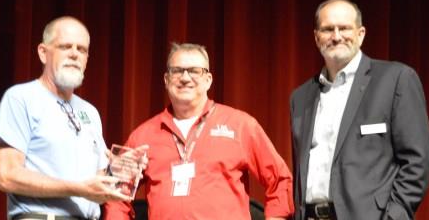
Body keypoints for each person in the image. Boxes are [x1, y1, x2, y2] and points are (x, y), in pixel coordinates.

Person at [103, 42, 294, 219]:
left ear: (208, 80)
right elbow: (116, 194)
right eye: (177, 71)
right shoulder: (143, 136)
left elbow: (280, 179)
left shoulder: (240, 125)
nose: (185, 78)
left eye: (194, 71)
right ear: (166, 79)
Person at [0, 16, 146, 220]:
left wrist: (117, 172)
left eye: (81, 49)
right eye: (65, 46)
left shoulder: (90, 111)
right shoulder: (20, 98)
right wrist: (79, 188)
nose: (74, 54)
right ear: (43, 53)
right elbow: (7, 177)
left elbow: (96, 188)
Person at [290, 0, 429, 220]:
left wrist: (395, 216)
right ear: (316, 37)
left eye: (344, 28)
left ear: (361, 34)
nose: (336, 36)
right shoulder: (300, 98)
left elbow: (417, 162)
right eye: (328, 29)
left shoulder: (395, 80)